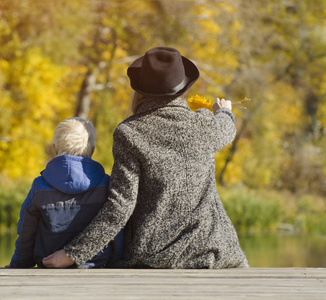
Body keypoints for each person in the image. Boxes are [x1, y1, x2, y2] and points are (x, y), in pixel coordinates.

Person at [42, 46, 249, 269]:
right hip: (212, 253)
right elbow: (227, 129)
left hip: (154, 258)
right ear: (183, 89)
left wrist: (73, 253)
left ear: (140, 91)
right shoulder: (204, 124)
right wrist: (225, 111)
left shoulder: (129, 133)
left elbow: (120, 206)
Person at [7, 117, 123, 268]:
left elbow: (26, 231)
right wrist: (116, 262)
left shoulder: (40, 186)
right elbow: (116, 229)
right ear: (93, 150)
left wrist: (20, 263)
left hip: (48, 264)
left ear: (55, 148)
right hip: (96, 265)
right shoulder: (105, 185)